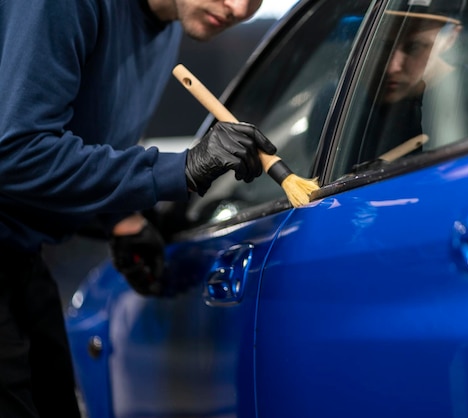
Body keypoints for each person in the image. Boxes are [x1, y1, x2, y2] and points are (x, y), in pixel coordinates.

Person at [0, 0, 276, 416]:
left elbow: (90, 138)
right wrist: (181, 169)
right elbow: (15, 154)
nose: (239, 7)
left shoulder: (165, 25)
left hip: (20, 251)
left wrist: (122, 219)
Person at [357, 0, 468, 166]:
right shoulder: (349, 99)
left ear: (450, 37)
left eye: (414, 47)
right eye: (381, 46)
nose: (391, 67)